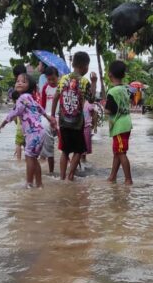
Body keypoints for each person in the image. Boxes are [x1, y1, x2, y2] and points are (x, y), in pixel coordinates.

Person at [0, 73, 57, 188]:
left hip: (33, 133)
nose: (19, 83)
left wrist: (3, 123)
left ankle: (29, 183)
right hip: (39, 131)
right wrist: (48, 117)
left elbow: (15, 112)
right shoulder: (30, 98)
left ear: (29, 86)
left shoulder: (22, 98)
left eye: (23, 81)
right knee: (34, 158)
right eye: (18, 81)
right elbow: (39, 107)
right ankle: (39, 184)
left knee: (29, 157)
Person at [52, 51, 94, 181]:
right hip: (77, 124)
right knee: (78, 150)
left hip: (63, 122)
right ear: (85, 67)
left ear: (74, 63)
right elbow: (91, 100)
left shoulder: (63, 79)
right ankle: (70, 177)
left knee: (65, 151)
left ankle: (62, 177)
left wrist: (53, 116)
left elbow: (55, 98)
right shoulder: (85, 82)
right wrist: (94, 82)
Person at [104, 60, 133, 185]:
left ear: (110, 74)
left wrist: (102, 110)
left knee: (121, 152)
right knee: (118, 151)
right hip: (126, 123)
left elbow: (108, 110)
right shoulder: (126, 88)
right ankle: (112, 177)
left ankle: (128, 179)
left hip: (119, 126)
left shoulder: (112, 92)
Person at [38, 66, 60, 174]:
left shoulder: (62, 87)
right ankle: (49, 164)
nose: (51, 81)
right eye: (48, 79)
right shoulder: (45, 88)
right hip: (47, 116)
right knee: (44, 130)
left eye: (53, 79)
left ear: (58, 77)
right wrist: (46, 117)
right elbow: (42, 106)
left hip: (60, 116)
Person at [10, 64, 28, 161]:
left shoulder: (18, 87)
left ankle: (18, 161)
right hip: (28, 121)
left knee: (18, 142)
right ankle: (26, 159)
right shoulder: (28, 84)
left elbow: (15, 106)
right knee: (26, 142)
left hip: (21, 120)